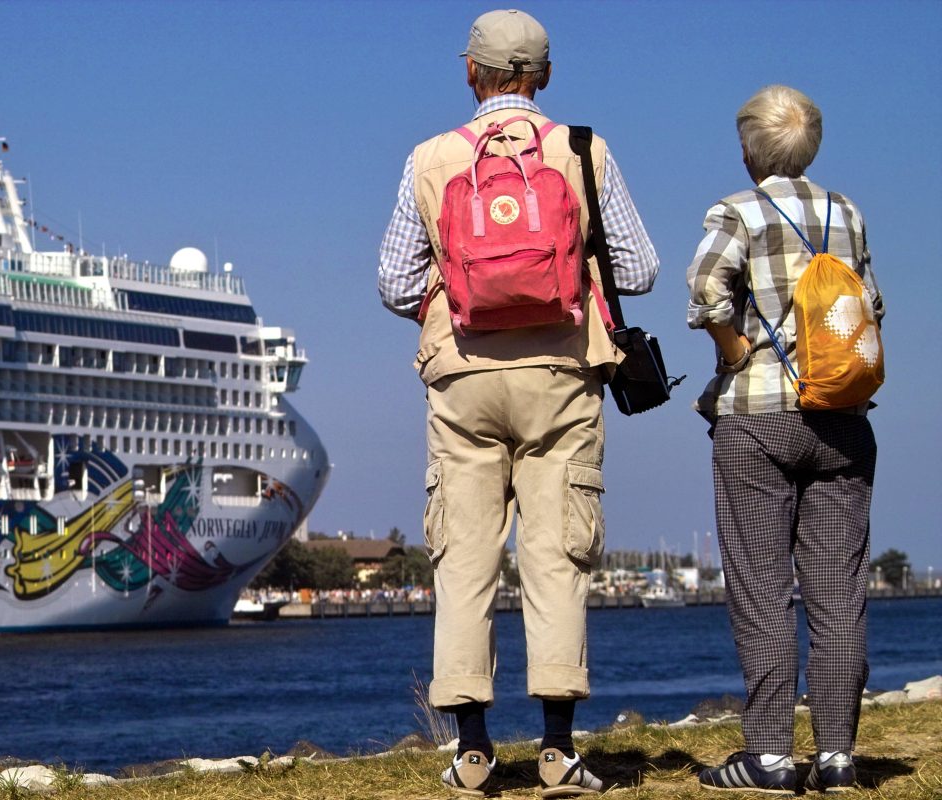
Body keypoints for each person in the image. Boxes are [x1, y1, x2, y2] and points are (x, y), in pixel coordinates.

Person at [378, 9, 658, 796]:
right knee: (557, 557)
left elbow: (394, 282)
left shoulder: (430, 158)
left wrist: (462, 288)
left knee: (463, 560)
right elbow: (638, 271)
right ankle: (559, 750)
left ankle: (470, 753)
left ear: (470, 72)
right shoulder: (582, 150)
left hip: (462, 376)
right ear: (544, 75)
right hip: (562, 373)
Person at [686, 85, 882, 795]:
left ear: (747, 150)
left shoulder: (736, 211)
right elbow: (871, 306)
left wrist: (736, 352)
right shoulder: (847, 213)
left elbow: (706, 293)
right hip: (843, 418)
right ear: (813, 148)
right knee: (838, 594)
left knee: (762, 591)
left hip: (759, 416)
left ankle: (767, 754)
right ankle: (837, 757)